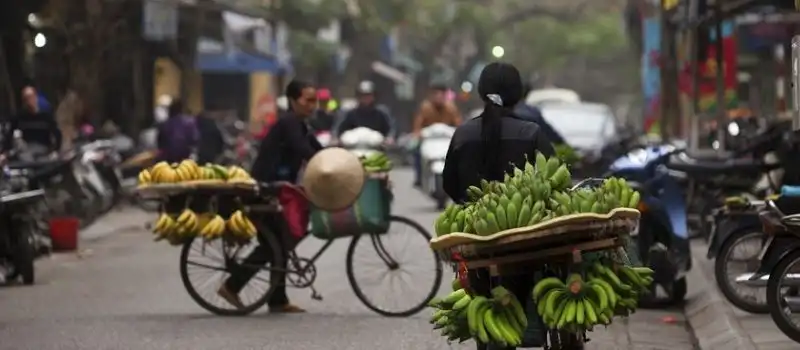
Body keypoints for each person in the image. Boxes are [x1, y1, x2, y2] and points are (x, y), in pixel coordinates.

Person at [442, 62, 556, 350]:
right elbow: (555, 183)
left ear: (482, 93)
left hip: (477, 237)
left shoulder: (462, 134)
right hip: (530, 239)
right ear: (518, 94)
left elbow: (450, 186)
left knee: (482, 287)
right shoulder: (532, 133)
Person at [218, 80, 322, 313]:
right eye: (308, 100)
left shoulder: (302, 125)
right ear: (293, 101)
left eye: (315, 101)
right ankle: (231, 286)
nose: (313, 106)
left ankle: (278, 300)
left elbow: (318, 150)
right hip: (264, 189)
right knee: (273, 245)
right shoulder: (288, 124)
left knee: (281, 243)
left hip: (279, 189)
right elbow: (303, 150)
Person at [411, 84, 463, 187]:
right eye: (436, 94)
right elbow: (418, 124)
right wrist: (417, 133)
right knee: (416, 151)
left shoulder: (451, 108)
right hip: (429, 139)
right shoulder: (425, 107)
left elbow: (458, 123)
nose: (438, 97)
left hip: (446, 139)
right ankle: (419, 177)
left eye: (441, 94)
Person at [2, 86, 62, 158]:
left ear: (35, 98)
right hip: (27, 150)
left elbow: (57, 134)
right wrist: (5, 152)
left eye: (30, 97)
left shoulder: (46, 117)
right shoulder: (20, 117)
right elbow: (9, 134)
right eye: (25, 99)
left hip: (44, 150)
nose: (29, 101)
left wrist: (56, 150)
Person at [156, 98, 198, 163]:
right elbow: (195, 139)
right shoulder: (190, 122)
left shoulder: (166, 124)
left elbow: (160, 143)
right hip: (185, 158)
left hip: (168, 159)